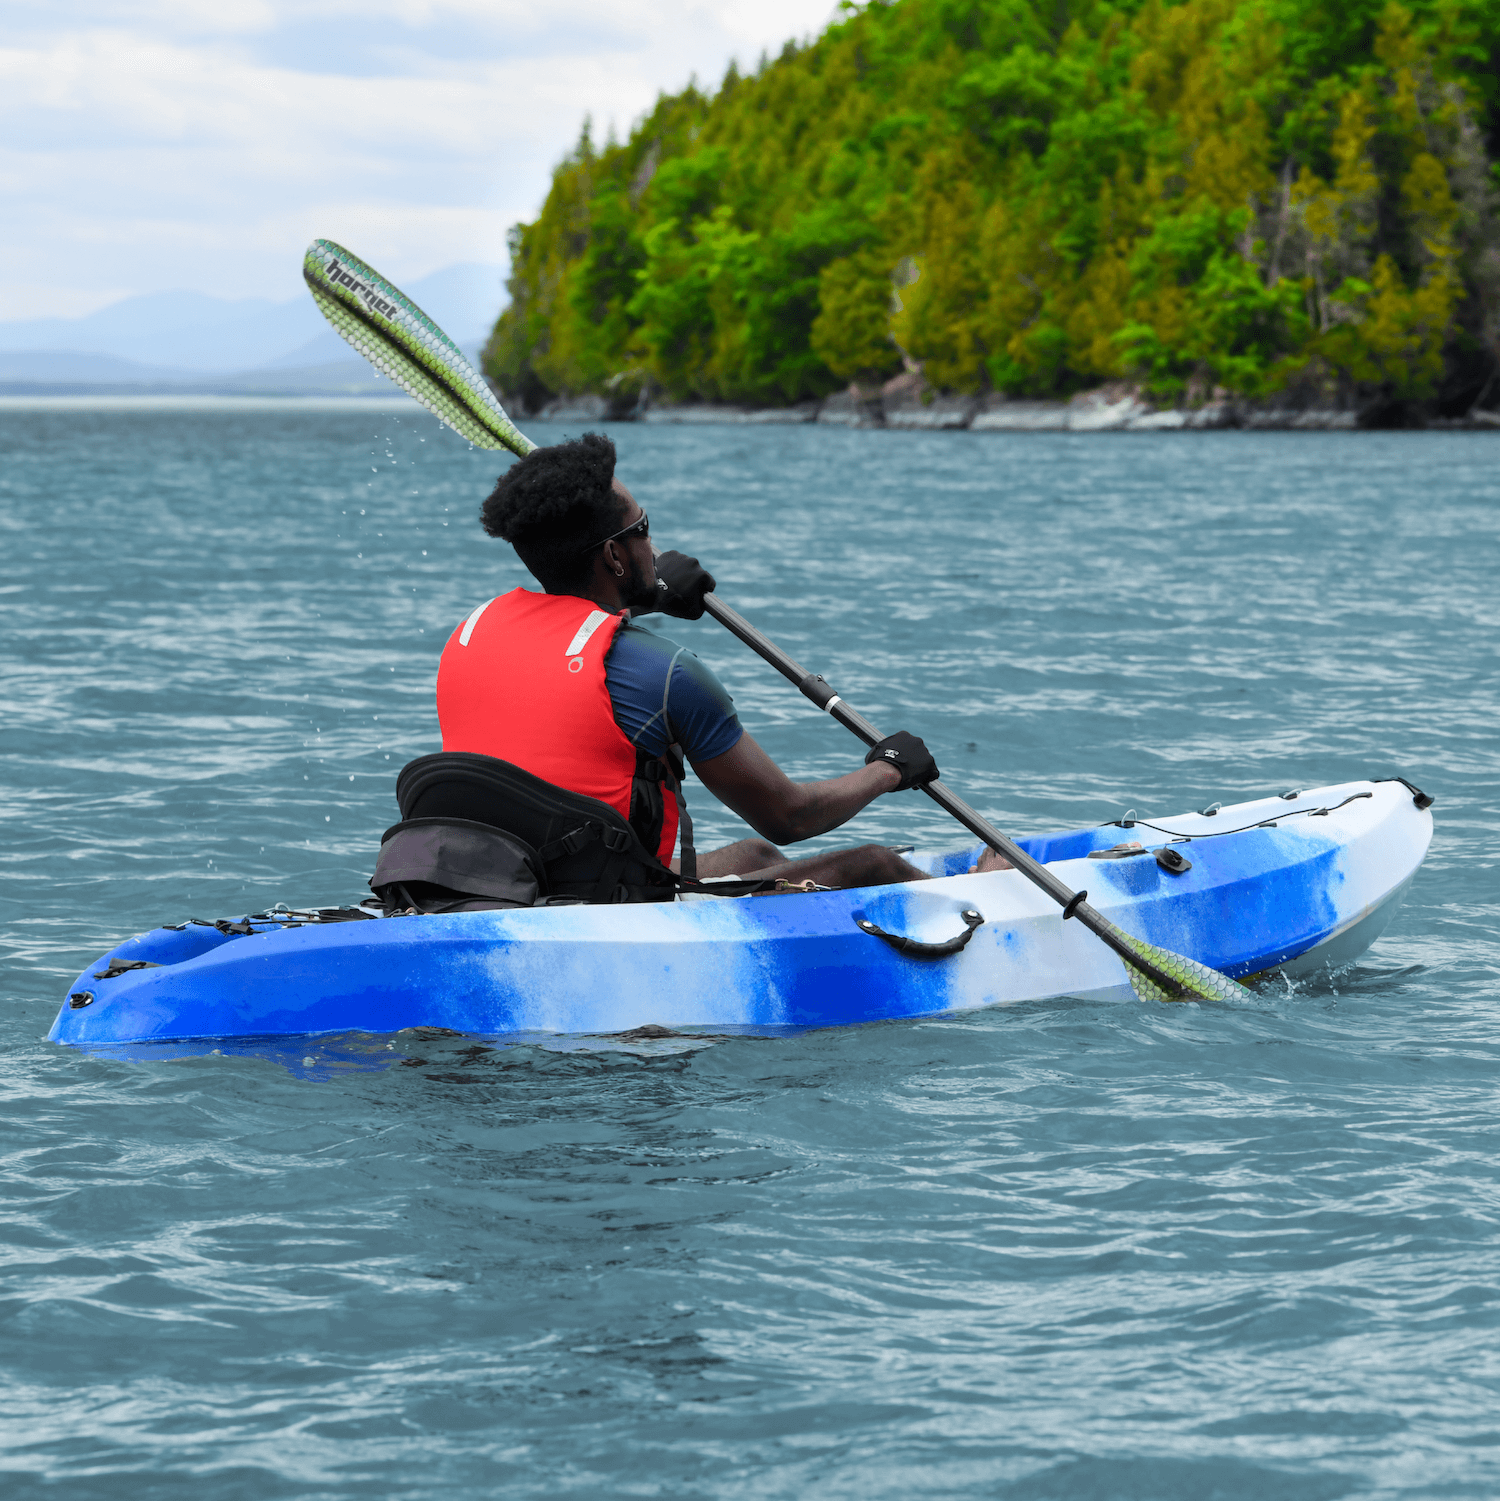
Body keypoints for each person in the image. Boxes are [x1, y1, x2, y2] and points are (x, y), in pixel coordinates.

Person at [435, 432, 941, 890]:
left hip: (499, 884)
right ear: (614, 556)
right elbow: (790, 819)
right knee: (876, 863)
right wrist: (890, 769)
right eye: (644, 528)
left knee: (754, 856)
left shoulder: (470, 634)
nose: (653, 543)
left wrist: (646, 596)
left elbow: (566, 640)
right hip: (606, 909)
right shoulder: (667, 672)